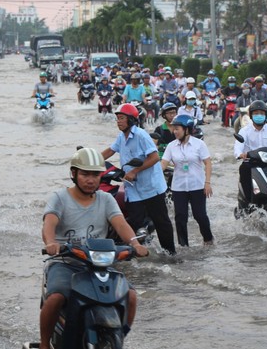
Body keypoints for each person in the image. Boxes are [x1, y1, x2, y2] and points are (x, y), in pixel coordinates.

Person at [40, 148, 149, 349]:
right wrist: (50, 243)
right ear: (73, 174)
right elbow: (49, 224)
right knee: (56, 297)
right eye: (85, 174)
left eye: (95, 175)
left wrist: (134, 243)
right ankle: (44, 343)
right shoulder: (60, 198)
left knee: (131, 296)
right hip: (65, 262)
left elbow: (121, 224)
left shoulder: (106, 200)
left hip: (99, 263)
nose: (90, 180)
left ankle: (117, 337)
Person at [101, 104, 176, 255]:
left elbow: (154, 157)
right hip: (133, 188)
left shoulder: (141, 135)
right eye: (117, 119)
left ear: (131, 120)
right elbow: (110, 151)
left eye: (122, 118)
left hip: (151, 187)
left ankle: (171, 254)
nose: (118, 122)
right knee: (133, 222)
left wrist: (135, 171)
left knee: (161, 222)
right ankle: (135, 253)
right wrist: (90, 160)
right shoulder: (122, 137)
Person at [160, 115, 214, 247]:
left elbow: (208, 163)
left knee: (200, 216)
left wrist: (207, 183)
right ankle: (183, 245)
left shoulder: (199, 144)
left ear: (187, 130)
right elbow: (163, 164)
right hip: (178, 187)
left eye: (177, 129)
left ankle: (208, 240)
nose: (174, 131)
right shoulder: (171, 146)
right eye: (174, 129)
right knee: (180, 218)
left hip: (197, 185)